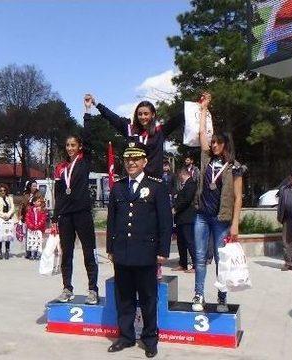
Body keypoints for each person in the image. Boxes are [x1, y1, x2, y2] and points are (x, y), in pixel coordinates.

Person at [106, 142, 171, 358]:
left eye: (136, 159)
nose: (131, 163)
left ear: (144, 162)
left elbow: (165, 221)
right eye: (127, 159)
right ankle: (125, 336)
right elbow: (112, 220)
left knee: (148, 298)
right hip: (122, 252)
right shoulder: (118, 186)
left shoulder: (157, 186)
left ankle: (150, 338)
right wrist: (110, 247)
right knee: (123, 297)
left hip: (146, 252)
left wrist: (163, 251)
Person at [191, 93, 245, 313]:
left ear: (225, 144)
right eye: (212, 142)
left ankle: (222, 298)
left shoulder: (235, 167)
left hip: (221, 220)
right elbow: (202, 132)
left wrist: (235, 224)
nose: (213, 145)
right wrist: (204, 109)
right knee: (201, 257)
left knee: (221, 260)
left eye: (217, 142)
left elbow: (238, 197)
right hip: (202, 216)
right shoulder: (206, 159)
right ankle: (199, 295)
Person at [52, 97, 99, 305]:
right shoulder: (60, 167)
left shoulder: (84, 161)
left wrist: (87, 113)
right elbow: (58, 193)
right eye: (68, 145)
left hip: (82, 213)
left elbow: (88, 137)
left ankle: (92, 289)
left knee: (89, 252)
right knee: (66, 254)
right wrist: (55, 216)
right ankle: (67, 288)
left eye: (74, 145)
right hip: (65, 216)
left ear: (79, 147)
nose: (70, 148)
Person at [85, 93, 184, 177]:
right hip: (134, 181)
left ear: (153, 114)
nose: (142, 117)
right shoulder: (130, 130)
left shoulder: (160, 131)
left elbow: (177, 119)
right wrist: (95, 103)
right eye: (140, 114)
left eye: (146, 114)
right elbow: (112, 117)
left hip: (154, 182)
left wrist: (197, 106)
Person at [173, 168, 197, 273]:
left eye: (180, 177)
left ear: (183, 175)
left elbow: (187, 200)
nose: (179, 179)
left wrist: (176, 208)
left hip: (187, 217)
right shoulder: (184, 185)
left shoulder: (191, 184)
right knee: (181, 242)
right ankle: (183, 264)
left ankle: (196, 265)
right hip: (180, 218)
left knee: (189, 241)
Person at [0, 183, 16, 260]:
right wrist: (4, 216)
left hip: (8, 219)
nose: (3, 192)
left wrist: (8, 215)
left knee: (8, 235)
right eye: (1, 190)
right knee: (0, 236)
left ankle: (7, 250)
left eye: (4, 190)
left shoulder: (9, 198)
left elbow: (13, 207)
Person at [25, 193, 47, 260]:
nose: (39, 202)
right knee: (31, 241)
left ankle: (38, 254)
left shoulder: (42, 210)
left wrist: (38, 225)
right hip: (31, 229)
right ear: (34, 202)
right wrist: (31, 225)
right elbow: (27, 218)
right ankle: (32, 254)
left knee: (39, 241)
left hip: (39, 229)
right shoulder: (30, 210)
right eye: (38, 201)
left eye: (40, 201)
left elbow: (43, 218)